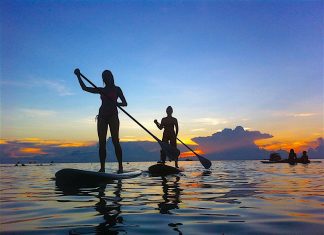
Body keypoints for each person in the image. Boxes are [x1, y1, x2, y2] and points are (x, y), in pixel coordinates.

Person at [74, 69, 127, 173]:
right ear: (103, 79)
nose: (106, 78)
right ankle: (102, 168)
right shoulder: (101, 90)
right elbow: (85, 88)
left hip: (113, 116)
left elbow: (125, 103)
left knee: (115, 141)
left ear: (111, 77)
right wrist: (78, 76)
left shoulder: (117, 89)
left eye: (108, 76)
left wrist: (117, 104)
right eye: (104, 77)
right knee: (102, 143)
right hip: (102, 116)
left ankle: (120, 167)